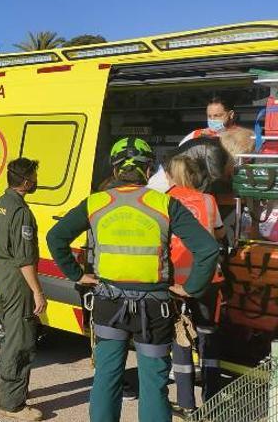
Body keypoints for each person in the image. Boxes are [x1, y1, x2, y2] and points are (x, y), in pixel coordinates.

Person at [46, 137, 220, 422]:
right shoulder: (165, 204)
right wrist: (191, 288)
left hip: (108, 304)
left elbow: (56, 237)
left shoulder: (96, 202)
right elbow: (208, 248)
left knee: (106, 379)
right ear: (148, 168)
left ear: (115, 170)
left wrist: (77, 274)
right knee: (154, 383)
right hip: (154, 309)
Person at [165, 156, 225, 415]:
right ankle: (212, 399)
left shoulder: (164, 199)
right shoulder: (208, 200)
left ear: (172, 176)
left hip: (176, 282)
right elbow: (220, 234)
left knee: (181, 338)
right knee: (208, 337)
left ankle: (187, 403)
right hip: (208, 280)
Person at [0, 158, 45, 421]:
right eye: (34, 176)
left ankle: (14, 391)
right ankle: (12, 405)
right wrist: (37, 291)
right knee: (19, 341)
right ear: (25, 182)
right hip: (16, 279)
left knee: (11, 334)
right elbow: (24, 259)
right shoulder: (20, 212)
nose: (36, 180)